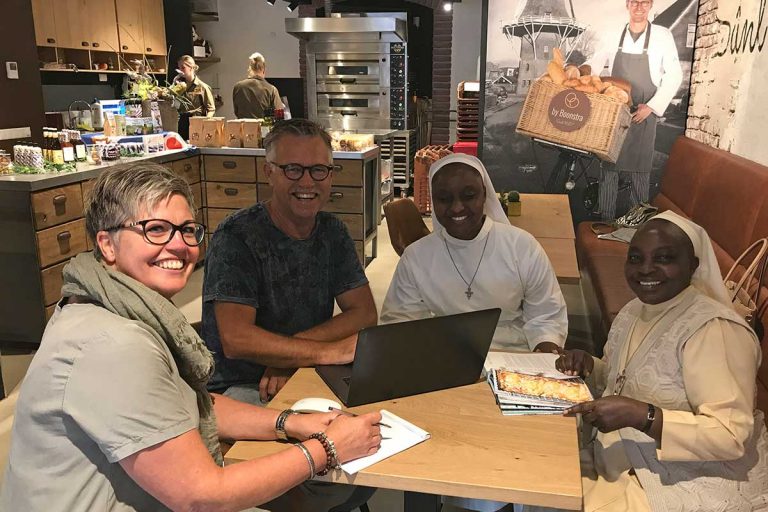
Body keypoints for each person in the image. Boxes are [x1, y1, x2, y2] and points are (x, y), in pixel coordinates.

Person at [0, 163, 382, 511]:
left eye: (186, 230)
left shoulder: (104, 302)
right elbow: (200, 495)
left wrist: (290, 422)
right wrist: (328, 449)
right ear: (106, 244)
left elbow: (189, 403)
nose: (179, 245)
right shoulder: (114, 344)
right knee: (323, 487)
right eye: (155, 229)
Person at [380, 153, 568, 512]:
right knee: (431, 446)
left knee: (525, 454)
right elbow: (400, 323)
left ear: (485, 194)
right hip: (444, 363)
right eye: (444, 198)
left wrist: (544, 359)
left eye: (468, 195)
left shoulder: (521, 246)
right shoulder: (418, 257)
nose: (457, 207)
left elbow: (545, 312)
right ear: (432, 201)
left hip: (515, 360)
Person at [555, 211, 768, 512]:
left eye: (664, 258)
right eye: (636, 258)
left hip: (686, 473)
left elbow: (730, 435)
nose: (646, 270)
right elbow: (622, 378)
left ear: (692, 265)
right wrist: (590, 365)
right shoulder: (633, 310)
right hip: (621, 446)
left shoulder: (715, 331)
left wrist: (645, 417)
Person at [202, 118, 377, 405]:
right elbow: (236, 339)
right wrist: (323, 352)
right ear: (268, 172)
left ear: (331, 175)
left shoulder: (333, 231)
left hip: (304, 371)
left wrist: (290, 357)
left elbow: (364, 313)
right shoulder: (236, 236)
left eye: (318, 170)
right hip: (242, 386)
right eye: (293, 169)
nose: (307, 182)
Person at [587, 0, 682, 221]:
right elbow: (595, 63)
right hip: (614, 113)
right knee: (609, 168)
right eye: (635, 2)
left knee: (640, 172)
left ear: (651, 6)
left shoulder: (662, 35)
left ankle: (636, 228)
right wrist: (579, 74)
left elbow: (674, 75)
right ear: (627, 5)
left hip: (643, 114)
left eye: (645, 2)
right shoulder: (613, 34)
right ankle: (606, 221)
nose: (639, 7)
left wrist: (652, 106)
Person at [175, 55, 216, 140]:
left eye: (183, 68)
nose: (181, 71)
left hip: (197, 121)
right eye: (179, 68)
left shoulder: (202, 87)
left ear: (191, 68)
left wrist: (205, 124)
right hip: (182, 121)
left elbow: (211, 109)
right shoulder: (178, 86)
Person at [233, 52, 284, 119]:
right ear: (264, 70)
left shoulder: (237, 87)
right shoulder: (272, 89)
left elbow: (236, 112)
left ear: (249, 69)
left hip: (243, 128)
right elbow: (279, 116)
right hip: (264, 128)